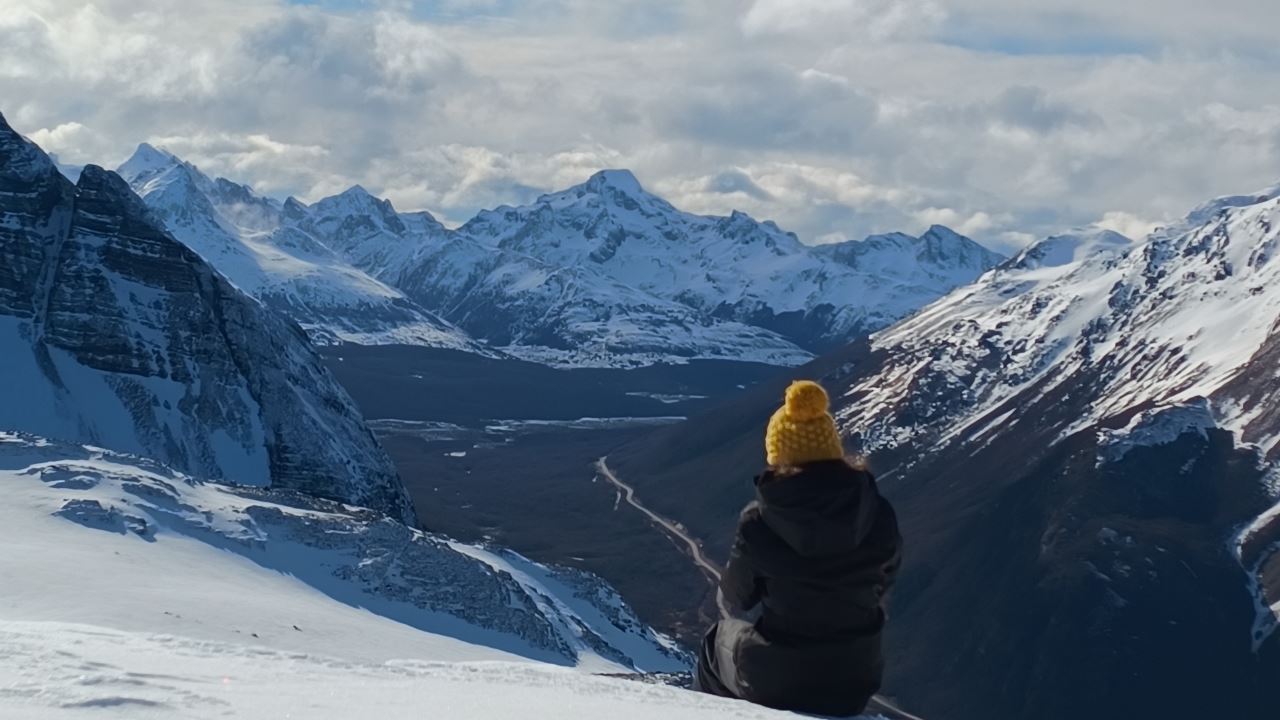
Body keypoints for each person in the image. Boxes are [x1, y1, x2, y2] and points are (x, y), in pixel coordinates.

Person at [693, 379, 902, 718]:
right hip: (857, 677)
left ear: (778, 454)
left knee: (716, 642)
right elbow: (887, 576)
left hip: (778, 678)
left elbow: (737, 595)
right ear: (833, 448)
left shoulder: (759, 521)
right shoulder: (877, 511)